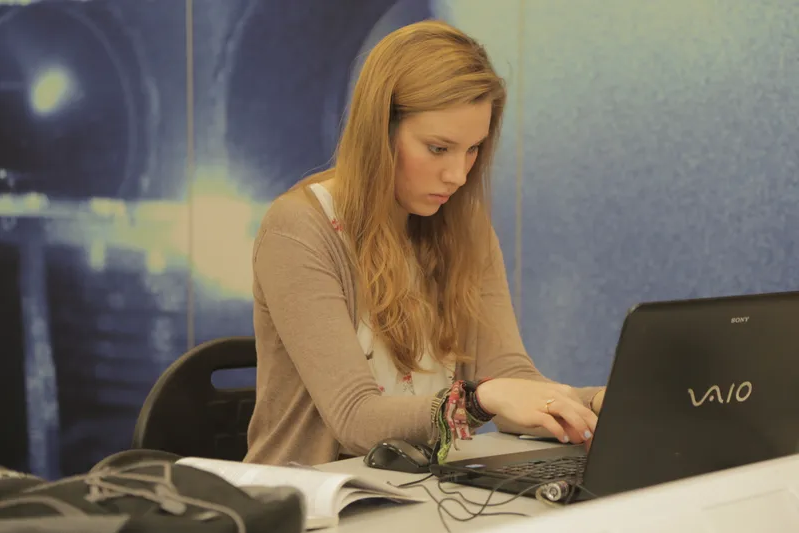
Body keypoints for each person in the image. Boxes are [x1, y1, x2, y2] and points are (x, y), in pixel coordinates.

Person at [244, 20, 606, 467]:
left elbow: (511, 380)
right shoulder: (299, 229)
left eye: (473, 149)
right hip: (312, 505)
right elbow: (357, 420)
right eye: (438, 149)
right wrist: (479, 400)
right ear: (380, 132)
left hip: (419, 495)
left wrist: (597, 403)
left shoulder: (465, 228)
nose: (458, 175)